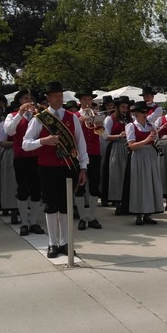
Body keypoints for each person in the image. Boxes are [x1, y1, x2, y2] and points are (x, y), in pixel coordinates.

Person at [22, 81, 88, 258]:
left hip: (68, 167)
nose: (59, 98)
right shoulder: (40, 118)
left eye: (61, 95)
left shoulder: (72, 117)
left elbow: (81, 145)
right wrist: (43, 141)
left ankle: (65, 242)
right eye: (55, 95)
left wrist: (83, 168)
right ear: (48, 98)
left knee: (66, 206)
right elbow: (25, 144)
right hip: (47, 168)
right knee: (51, 206)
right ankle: (52, 243)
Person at [4, 89, 45, 237]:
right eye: (25, 98)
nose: (29, 101)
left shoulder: (38, 115)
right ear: (20, 101)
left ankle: (33, 221)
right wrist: (20, 114)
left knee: (36, 190)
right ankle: (24, 223)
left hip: (37, 157)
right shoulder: (12, 115)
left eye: (30, 98)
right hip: (21, 157)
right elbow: (9, 131)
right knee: (22, 190)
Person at [126, 100, 164, 225]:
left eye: (146, 112)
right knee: (139, 184)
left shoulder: (151, 126)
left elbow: (156, 141)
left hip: (151, 155)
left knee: (151, 183)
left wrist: (160, 142)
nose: (145, 114)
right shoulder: (131, 126)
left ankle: (148, 213)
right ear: (136, 113)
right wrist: (146, 140)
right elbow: (131, 146)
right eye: (142, 112)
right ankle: (138, 214)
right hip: (139, 156)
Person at [74, 89, 103, 230]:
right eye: (84, 99)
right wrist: (79, 122)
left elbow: (103, 134)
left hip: (95, 154)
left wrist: (99, 123)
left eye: (89, 99)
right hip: (79, 155)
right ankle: (81, 217)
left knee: (94, 185)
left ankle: (92, 217)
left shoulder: (96, 115)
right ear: (80, 101)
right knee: (80, 186)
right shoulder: (74, 116)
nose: (87, 102)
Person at [103, 96, 131, 213]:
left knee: (128, 176)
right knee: (117, 175)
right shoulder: (110, 119)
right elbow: (105, 136)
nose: (125, 110)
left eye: (126, 107)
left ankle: (128, 203)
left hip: (128, 148)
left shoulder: (130, 119)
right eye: (123, 107)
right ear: (117, 107)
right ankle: (117, 202)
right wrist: (119, 136)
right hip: (116, 148)